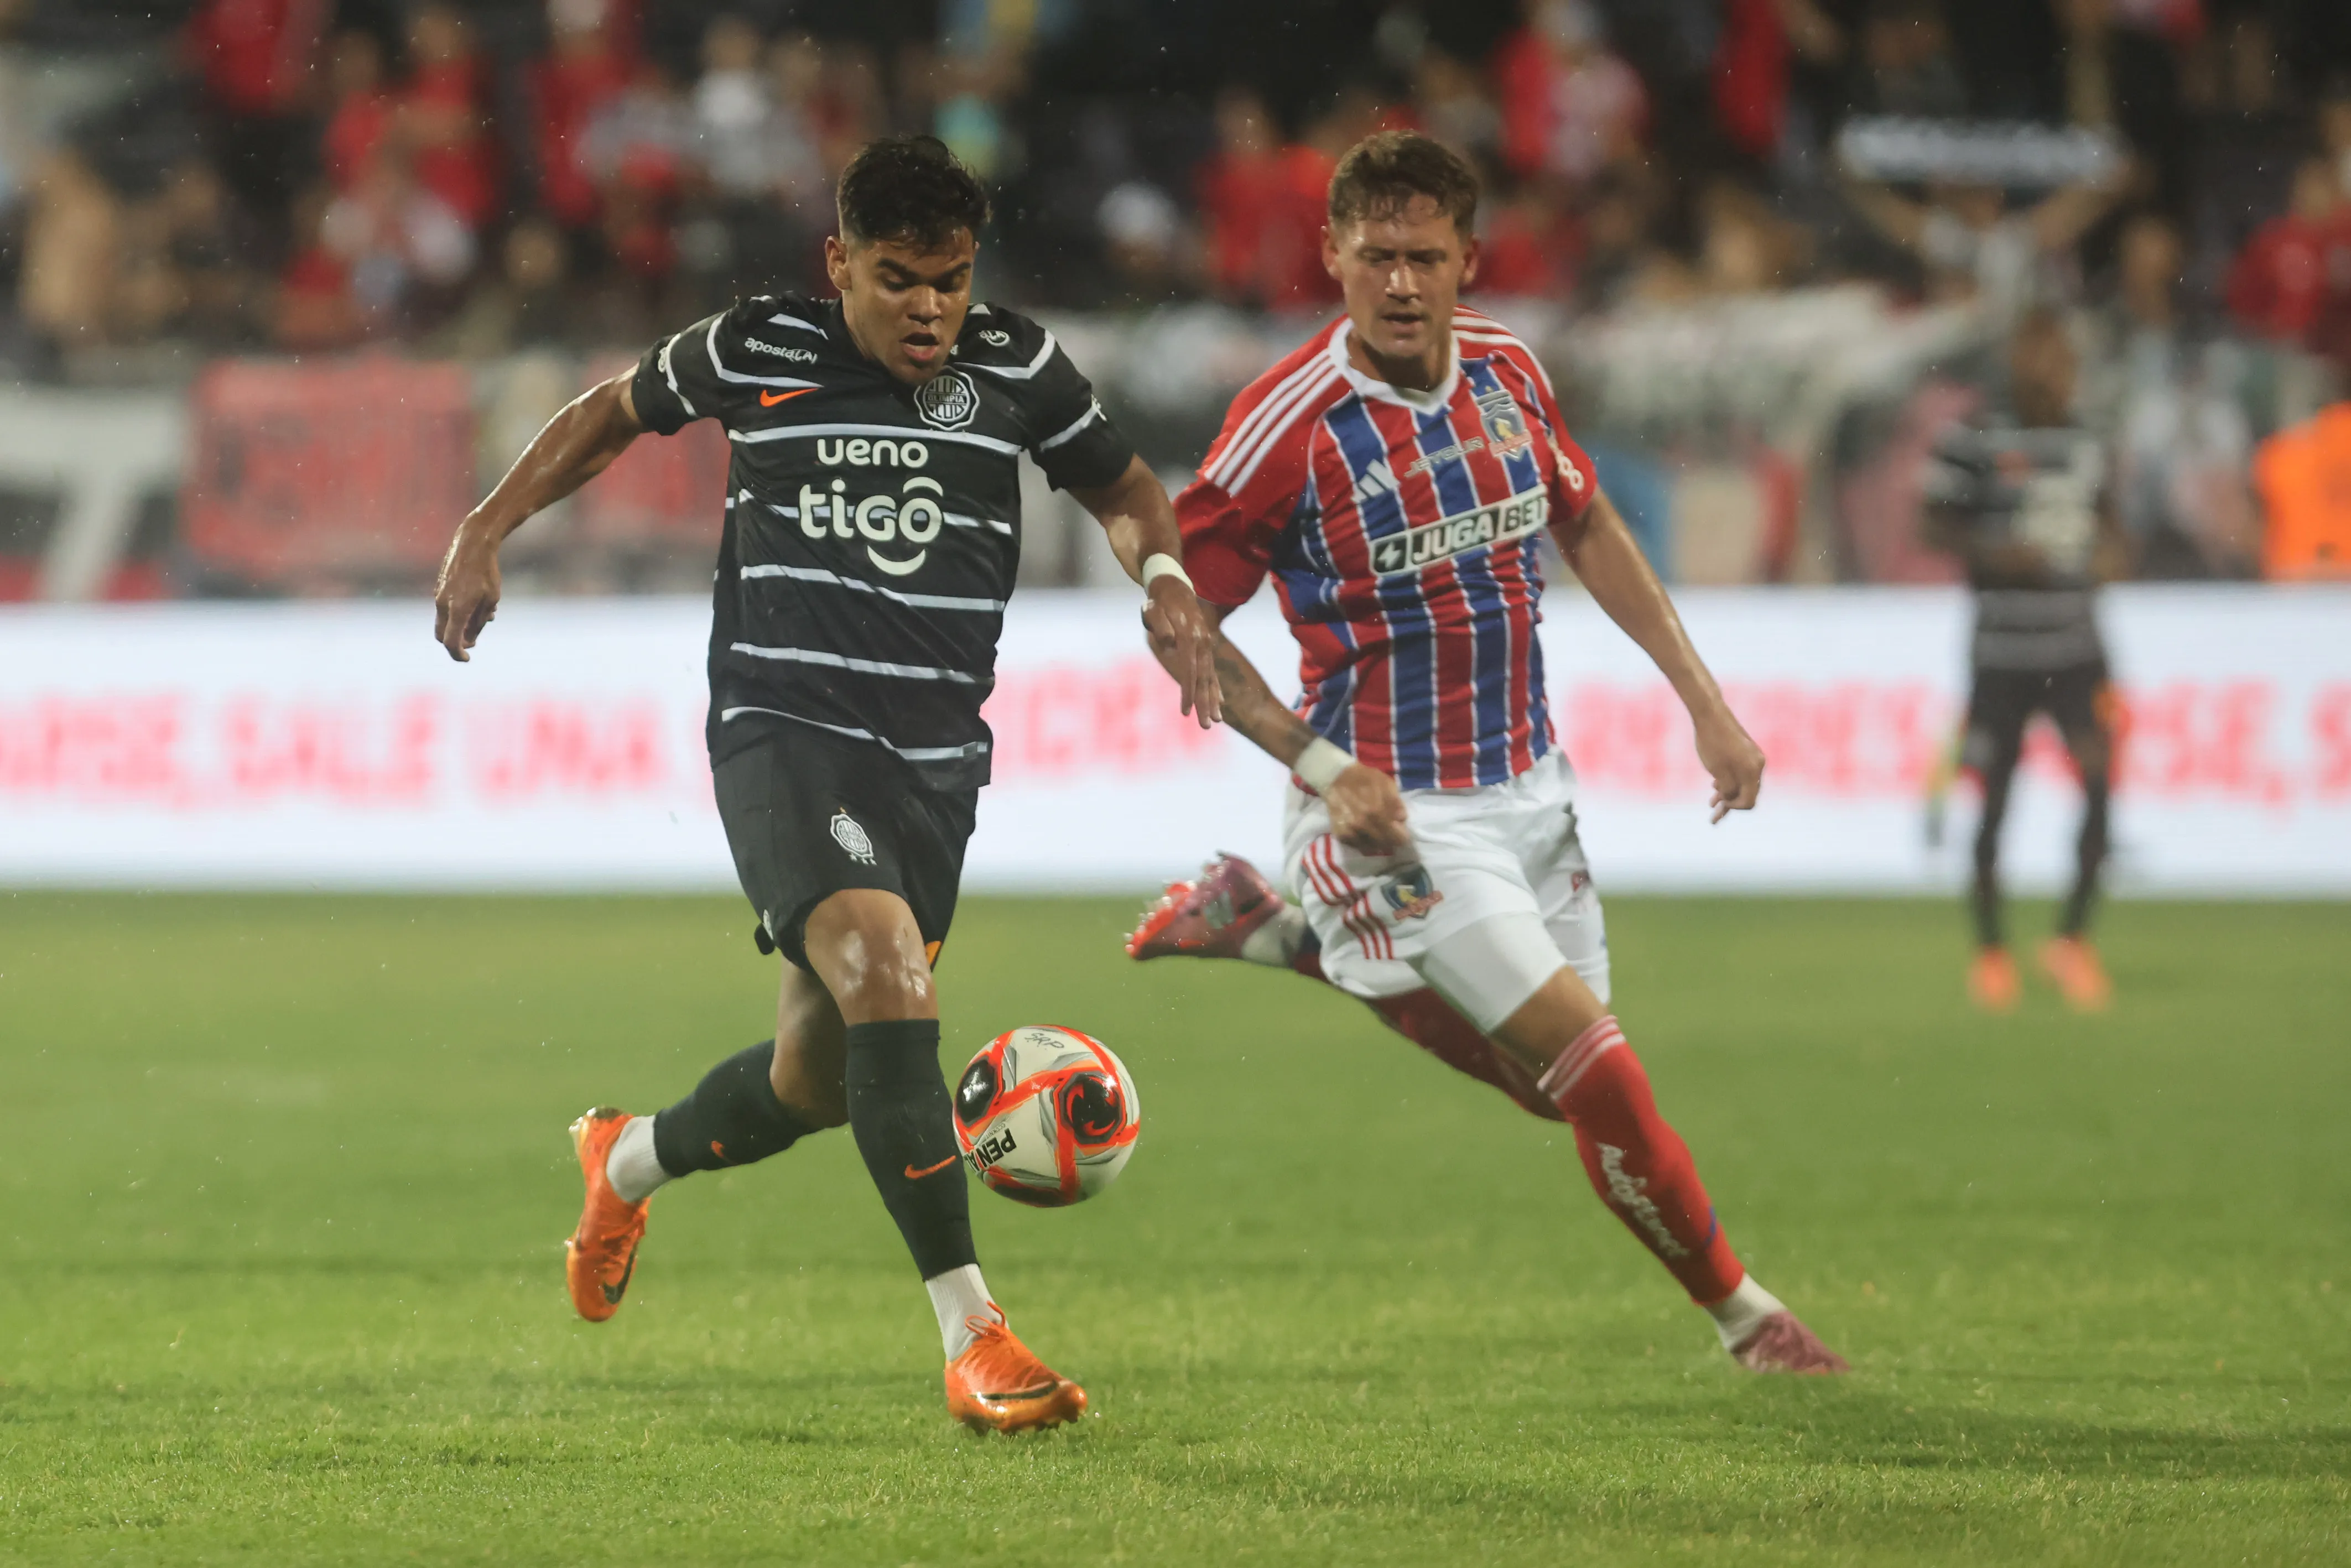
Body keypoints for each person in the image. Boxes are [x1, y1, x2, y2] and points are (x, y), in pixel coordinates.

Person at [430, 135, 1221, 1432]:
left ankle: (621, 1157)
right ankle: (977, 1337)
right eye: (901, 279)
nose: (929, 309)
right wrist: (486, 525)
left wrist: (1170, 583)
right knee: (887, 971)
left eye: (951, 282)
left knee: (818, 1071)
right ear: (839, 263)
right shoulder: (761, 347)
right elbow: (609, 414)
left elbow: (1122, 482)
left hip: (934, 761)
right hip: (782, 723)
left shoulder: (1015, 365)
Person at [1128, 131, 1845, 1375]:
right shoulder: (1285, 430)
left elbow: (1585, 518)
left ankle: (1287, 935)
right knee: (1604, 1079)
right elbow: (1181, 624)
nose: (1399, 283)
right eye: (1375, 256)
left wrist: (1704, 699)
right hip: (1393, 811)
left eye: (1423, 257)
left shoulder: (1510, 370)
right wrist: (1318, 769)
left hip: (1530, 786)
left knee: (1554, 1094)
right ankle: (1750, 1320)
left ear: (1468, 260)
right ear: (1330, 256)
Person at [1921, 308, 2126, 1011]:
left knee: (2100, 783)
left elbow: (2107, 523)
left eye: (2061, 357)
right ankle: (1990, 953)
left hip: (2076, 647)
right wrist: (1995, 555)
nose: (2053, 370)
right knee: (1995, 798)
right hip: (2002, 650)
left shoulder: (2085, 438)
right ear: (2017, 359)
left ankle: (2071, 940)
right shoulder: (1974, 436)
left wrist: (2109, 552)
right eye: (2040, 355)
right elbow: (1932, 520)